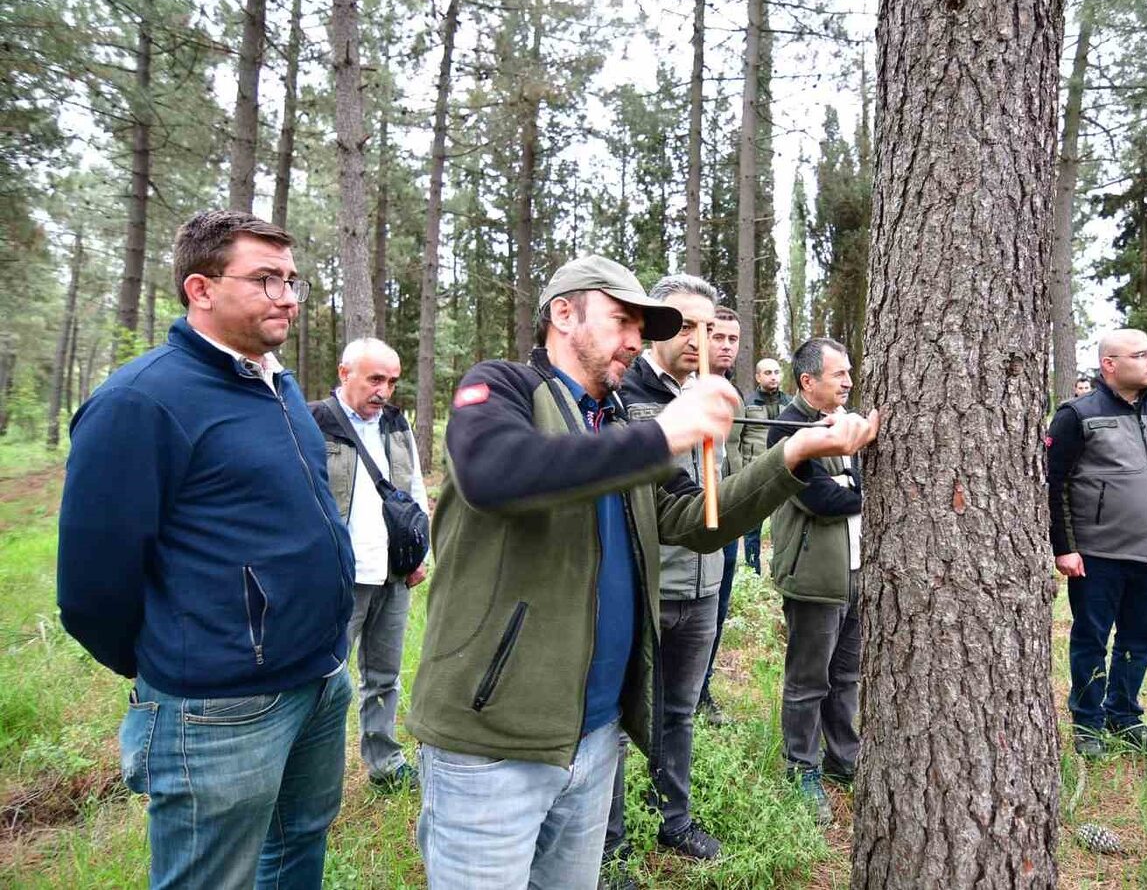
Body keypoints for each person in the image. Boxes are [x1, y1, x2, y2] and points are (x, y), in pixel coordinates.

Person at [406, 255, 878, 890]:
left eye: (641, 327)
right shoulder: (503, 389)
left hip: (597, 734)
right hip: (493, 739)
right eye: (622, 320)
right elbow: (494, 474)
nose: (635, 339)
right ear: (563, 313)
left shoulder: (617, 421)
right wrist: (666, 433)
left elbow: (693, 519)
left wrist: (793, 453)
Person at [57, 210, 355, 888]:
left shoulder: (275, 386)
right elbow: (91, 589)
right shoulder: (141, 401)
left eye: (292, 279)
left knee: (297, 849)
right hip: (218, 709)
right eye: (266, 280)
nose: (288, 295)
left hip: (318, 679)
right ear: (201, 288)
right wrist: (185, 659)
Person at [608, 275, 725, 863]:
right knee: (617, 717)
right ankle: (609, 844)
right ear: (656, 326)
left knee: (679, 709)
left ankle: (671, 819)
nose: (695, 338)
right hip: (643, 582)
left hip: (703, 583)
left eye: (706, 326)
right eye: (682, 324)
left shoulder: (712, 391)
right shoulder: (624, 392)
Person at [1047, 329, 1147, 760]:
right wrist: (1064, 547)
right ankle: (1088, 723)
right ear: (1110, 365)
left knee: (1140, 637)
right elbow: (1054, 484)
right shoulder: (1077, 414)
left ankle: (1124, 714)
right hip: (1098, 553)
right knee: (1091, 638)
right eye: (1140, 355)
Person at [310, 338, 430, 793]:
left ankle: (384, 763)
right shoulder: (314, 421)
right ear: (345, 374)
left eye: (392, 381)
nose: (384, 391)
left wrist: (419, 554)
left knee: (384, 675)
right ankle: (317, 772)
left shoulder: (397, 425)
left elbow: (415, 490)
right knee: (325, 678)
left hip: (392, 570)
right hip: (339, 574)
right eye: (375, 379)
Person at [766, 337, 864, 826]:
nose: (848, 381)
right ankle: (801, 769)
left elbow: (858, 487)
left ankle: (844, 759)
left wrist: (853, 486)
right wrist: (856, 489)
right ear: (809, 381)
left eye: (848, 373)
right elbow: (821, 499)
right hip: (813, 575)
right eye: (838, 374)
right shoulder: (785, 426)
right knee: (808, 680)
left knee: (846, 676)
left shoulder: (850, 424)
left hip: (855, 575)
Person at [699, 306, 743, 726]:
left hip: (729, 518)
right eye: (719, 337)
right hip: (688, 516)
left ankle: (702, 688)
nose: (726, 346)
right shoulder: (684, 392)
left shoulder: (735, 395)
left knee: (719, 604)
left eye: (733, 339)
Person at [740, 357, 792, 572]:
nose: (773, 376)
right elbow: (737, 438)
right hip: (755, 472)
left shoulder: (790, 403)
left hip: (784, 471)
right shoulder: (747, 403)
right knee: (752, 527)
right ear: (758, 377)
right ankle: (753, 570)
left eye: (777, 372)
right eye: (768, 372)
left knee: (784, 525)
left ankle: (780, 569)